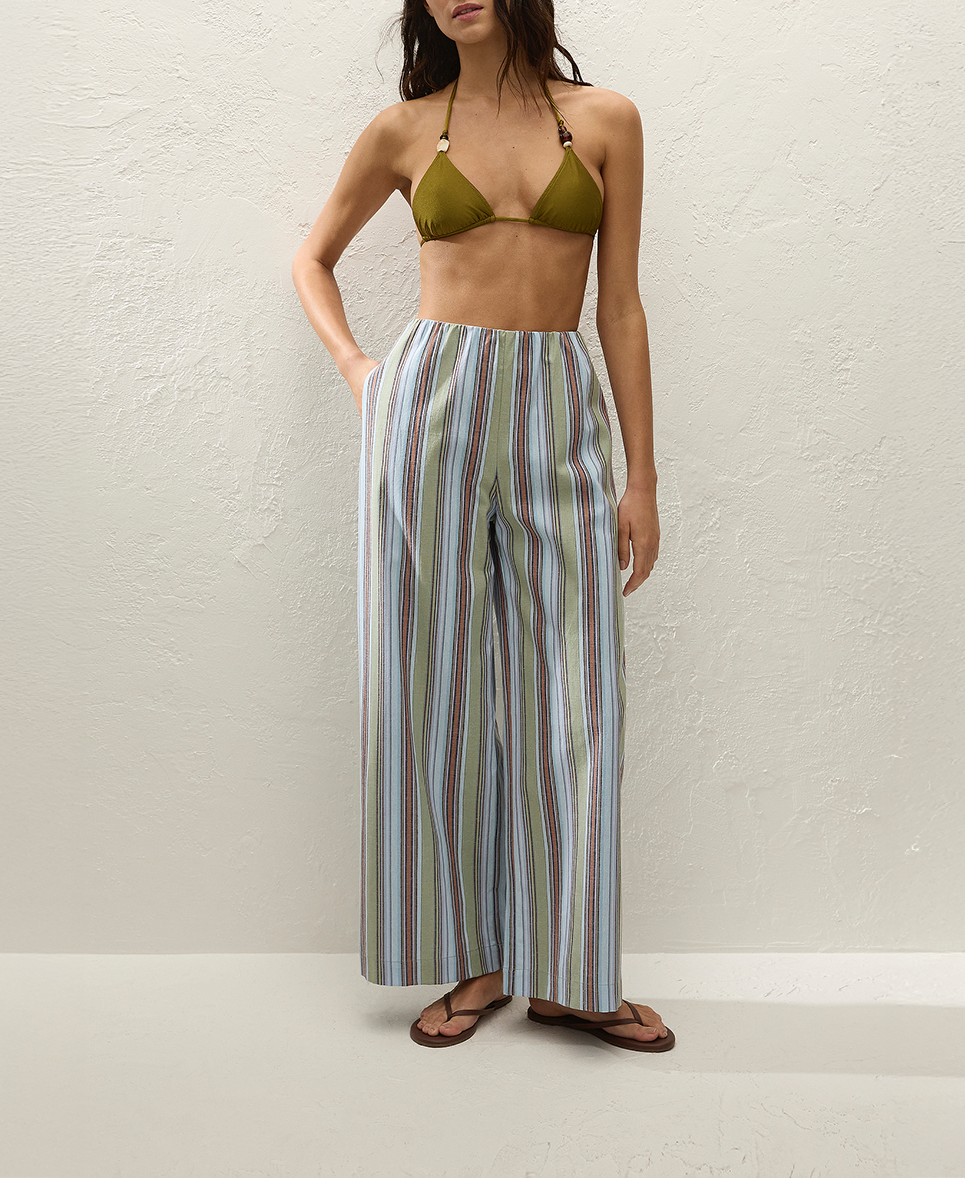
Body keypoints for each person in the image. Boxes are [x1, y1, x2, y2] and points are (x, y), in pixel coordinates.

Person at [292, 0, 672, 1053]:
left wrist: (640, 475)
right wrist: (362, 373)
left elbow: (620, 306)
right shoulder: (404, 129)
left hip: (559, 403)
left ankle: (572, 975)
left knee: (579, 693)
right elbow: (312, 258)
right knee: (431, 687)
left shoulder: (604, 119)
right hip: (429, 406)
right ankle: (478, 957)